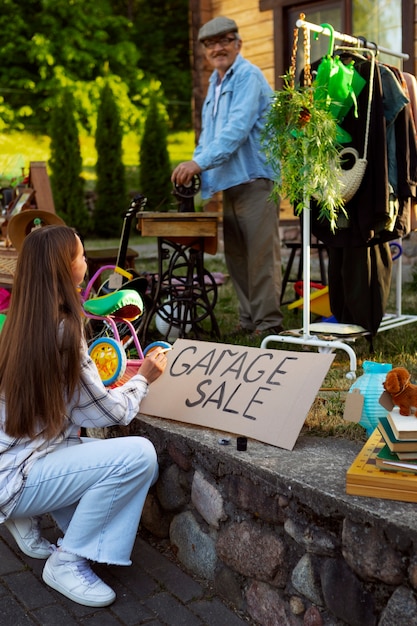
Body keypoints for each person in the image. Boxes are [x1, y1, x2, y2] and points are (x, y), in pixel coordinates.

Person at [0, 225, 167, 608]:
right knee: (140, 457)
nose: (86, 261)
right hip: (18, 471)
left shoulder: (18, 323)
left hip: (13, 456)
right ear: (63, 269)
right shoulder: (63, 330)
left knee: (91, 496)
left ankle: (24, 517)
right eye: (81, 256)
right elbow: (109, 412)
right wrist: (143, 379)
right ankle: (67, 562)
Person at [171, 16, 283, 337]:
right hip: (230, 183)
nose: (218, 48)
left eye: (224, 41)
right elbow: (209, 135)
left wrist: (199, 163)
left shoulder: (247, 76)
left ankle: (268, 325)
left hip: (255, 179)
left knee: (260, 257)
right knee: (236, 258)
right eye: (210, 44)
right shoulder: (215, 84)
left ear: (238, 43)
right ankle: (249, 321)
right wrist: (193, 162)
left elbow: (237, 130)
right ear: (205, 51)